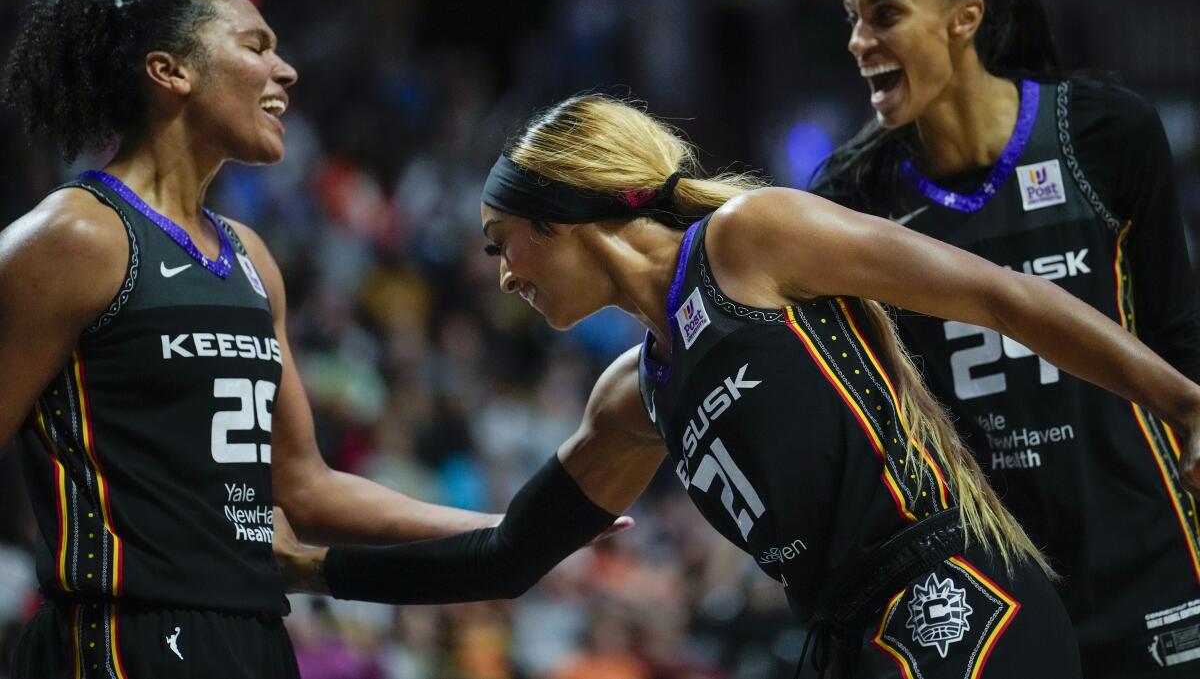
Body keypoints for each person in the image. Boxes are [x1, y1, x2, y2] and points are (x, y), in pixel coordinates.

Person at [276, 93, 1200, 678]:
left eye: (499, 241)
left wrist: (1186, 401)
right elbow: (511, 553)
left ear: (559, 215)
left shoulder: (750, 241)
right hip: (850, 633)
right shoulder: (634, 394)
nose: (501, 274)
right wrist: (318, 571)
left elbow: (1001, 295)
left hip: (956, 595)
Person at [0, 0, 506, 678]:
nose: (286, 69)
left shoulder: (250, 259)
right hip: (121, 637)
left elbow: (305, 489)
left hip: (257, 634)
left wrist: (513, 530)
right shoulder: (74, 235)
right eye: (256, 46)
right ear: (169, 71)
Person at [811, 0, 1200, 677]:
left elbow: (1175, 329)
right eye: (852, 20)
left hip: (1146, 542)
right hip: (991, 579)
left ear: (965, 17)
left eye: (884, 14)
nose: (859, 40)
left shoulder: (1105, 132)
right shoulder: (850, 197)